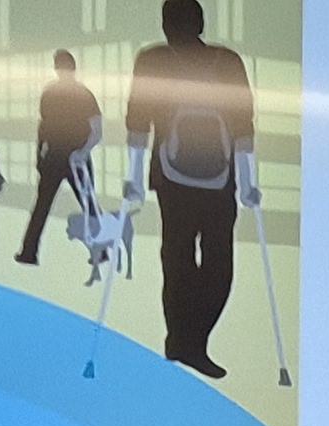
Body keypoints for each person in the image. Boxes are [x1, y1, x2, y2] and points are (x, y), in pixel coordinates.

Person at [127, 0, 257, 376]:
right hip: (221, 176)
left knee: (176, 257)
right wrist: (248, 181)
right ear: (200, 22)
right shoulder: (228, 60)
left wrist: (134, 177)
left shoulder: (151, 59)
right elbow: (242, 122)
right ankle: (192, 342)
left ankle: (180, 340)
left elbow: (138, 118)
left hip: (171, 177)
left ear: (166, 24)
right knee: (218, 263)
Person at [20, 48, 103, 265]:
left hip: (56, 154)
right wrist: (82, 152)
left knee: (42, 206)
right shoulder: (84, 94)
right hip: (75, 156)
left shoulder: (50, 93)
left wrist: (39, 155)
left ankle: (29, 252)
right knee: (88, 205)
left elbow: (43, 127)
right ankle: (100, 250)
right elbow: (96, 128)